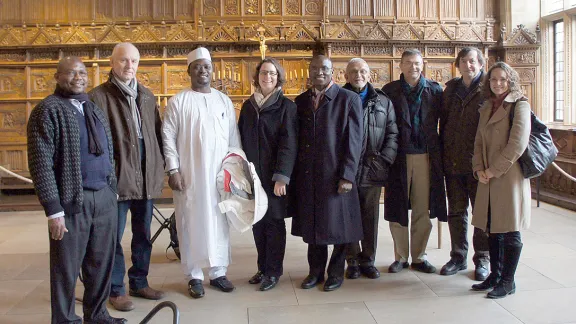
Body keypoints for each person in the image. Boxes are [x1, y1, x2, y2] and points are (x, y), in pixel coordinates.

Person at [27, 57, 126, 324]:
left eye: (82, 72)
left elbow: (110, 151)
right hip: (72, 200)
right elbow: (40, 164)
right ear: (57, 76)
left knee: (101, 263)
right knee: (66, 269)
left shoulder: (93, 108)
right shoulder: (47, 110)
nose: (78, 77)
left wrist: (112, 190)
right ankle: (65, 320)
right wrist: (53, 210)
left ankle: (97, 315)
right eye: (71, 72)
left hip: (103, 198)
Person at [89, 42, 165, 312]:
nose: (129, 66)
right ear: (112, 62)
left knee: (143, 234)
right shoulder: (98, 97)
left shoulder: (146, 95)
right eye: (123, 60)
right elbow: (95, 142)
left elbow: (155, 135)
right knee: (113, 236)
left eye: (133, 61)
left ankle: (139, 281)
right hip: (117, 177)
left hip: (145, 176)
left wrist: (159, 167)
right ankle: (116, 289)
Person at [162, 47, 241, 299]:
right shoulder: (178, 101)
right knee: (189, 222)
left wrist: (235, 168)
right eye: (197, 66)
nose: (202, 70)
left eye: (206, 66)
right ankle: (193, 276)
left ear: (212, 69)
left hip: (219, 176)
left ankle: (218, 272)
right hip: (190, 175)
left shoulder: (223, 101)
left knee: (220, 222)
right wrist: (173, 168)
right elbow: (168, 138)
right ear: (189, 71)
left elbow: (233, 138)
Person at [291, 54, 364, 292]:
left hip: (336, 175)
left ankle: (335, 272)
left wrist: (348, 175)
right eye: (314, 69)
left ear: (333, 72)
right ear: (309, 72)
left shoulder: (348, 99)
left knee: (339, 227)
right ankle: (315, 272)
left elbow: (355, 141)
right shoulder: (300, 101)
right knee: (314, 227)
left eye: (324, 68)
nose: (319, 72)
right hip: (310, 176)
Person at [382, 49, 447, 274]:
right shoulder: (389, 91)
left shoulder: (435, 90)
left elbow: (444, 123)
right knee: (397, 206)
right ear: (400, 65)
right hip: (398, 156)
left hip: (425, 155)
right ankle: (400, 256)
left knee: (422, 207)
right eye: (408, 63)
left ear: (423, 64)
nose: (413, 67)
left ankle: (419, 256)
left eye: (417, 63)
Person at [470, 62, 531, 299]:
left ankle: (508, 280)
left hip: (508, 176)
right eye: (494, 79)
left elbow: (517, 144)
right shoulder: (486, 106)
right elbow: (477, 141)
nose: (498, 83)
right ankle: (494, 276)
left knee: (510, 229)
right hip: (486, 176)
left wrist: (493, 171)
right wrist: (479, 170)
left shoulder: (520, 105)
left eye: (503, 79)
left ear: (511, 80)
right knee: (492, 228)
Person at [238, 58, 298, 291]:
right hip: (253, 175)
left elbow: (289, 144)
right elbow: (241, 139)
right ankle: (262, 267)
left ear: (278, 77)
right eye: (264, 73)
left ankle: (273, 271)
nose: (268, 77)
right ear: (257, 76)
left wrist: (282, 176)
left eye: (272, 74)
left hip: (274, 178)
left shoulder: (287, 107)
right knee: (257, 223)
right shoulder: (248, 106)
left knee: (273, 223)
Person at [342, 58, 398, 280]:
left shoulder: (383, 101)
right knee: (347, 215)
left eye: (363, 71)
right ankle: (352, 260)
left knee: (370, 216)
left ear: (369, 75)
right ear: (345, 76)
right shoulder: (339, 98)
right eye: (353, 72)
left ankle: (368, 260)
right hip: (346, 168)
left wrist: (384, 160)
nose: (358, 75)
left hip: (373, 167)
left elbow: (392, 133)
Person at [439, 47, 490, 281]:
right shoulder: (450, 90)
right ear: (457, 64)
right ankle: (458, 256)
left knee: (481, 214)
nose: (468, 65)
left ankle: (482, 259)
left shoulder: (489, 88)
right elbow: (444, 124)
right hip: (453, 161)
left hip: (479, 163)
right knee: (457, 212)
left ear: (480, 63)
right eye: (463, 61)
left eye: (472, 61)